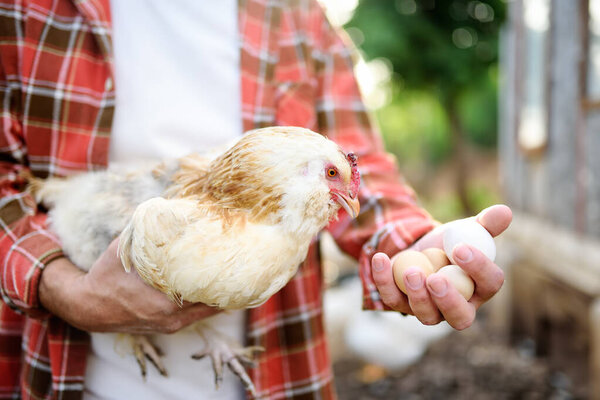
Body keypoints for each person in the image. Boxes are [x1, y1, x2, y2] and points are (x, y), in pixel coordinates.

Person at [0, 0, 510, 399]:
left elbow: (358, 167)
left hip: (270, 373)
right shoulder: (25, 11)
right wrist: (65, 290)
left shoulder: (296, 15)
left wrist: (415, 244)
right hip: (76, 375)